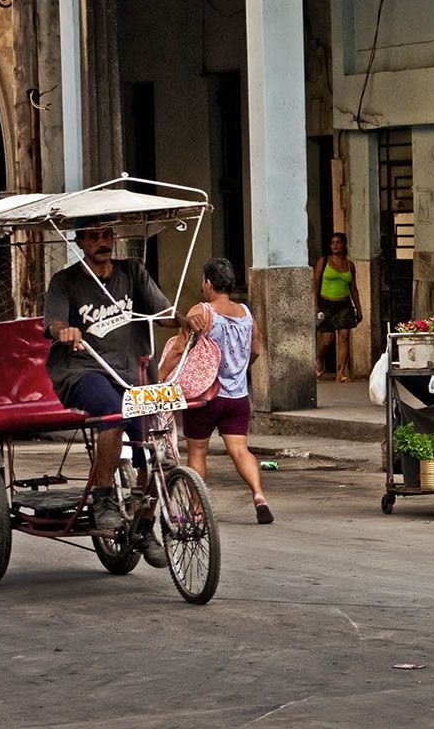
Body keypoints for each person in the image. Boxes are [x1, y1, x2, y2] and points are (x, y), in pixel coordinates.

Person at [44, 220, 188, 567]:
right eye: (92, 236)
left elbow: (163, 312)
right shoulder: (66, 280)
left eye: (106, 235)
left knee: (156, 451)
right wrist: (64, 331)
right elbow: (54, 323)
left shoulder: (132, 272)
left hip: (132, 374)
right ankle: (103, 497)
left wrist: (186, 318)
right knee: (112, 412)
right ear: (80, 242)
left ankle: (144, 523)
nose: (101, 241)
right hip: (84, 370)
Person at [169, 258, 273, 524]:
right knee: (240, 450)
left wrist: (159, 379)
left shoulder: (202, 312)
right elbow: (256, 349)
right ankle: (259, 496)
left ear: (209, 283)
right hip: (238, 397)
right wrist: (239, 370)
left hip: (205, 397)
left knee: (197, 452)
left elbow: (180, 349)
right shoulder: (246, 313)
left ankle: (197, 510)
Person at [314, 232, 363, 383]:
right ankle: (319, 359)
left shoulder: (350, 265)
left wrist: (358, 308)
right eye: (333, 242)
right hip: (326, 303)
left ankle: (341, 372)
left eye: (338, 242)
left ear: (344, 245)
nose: (335, 245)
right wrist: (315, 305)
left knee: (344, 337)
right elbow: (315, 283)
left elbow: (353, 288)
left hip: (344, 304)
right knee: (327, 339)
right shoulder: (324, 261)